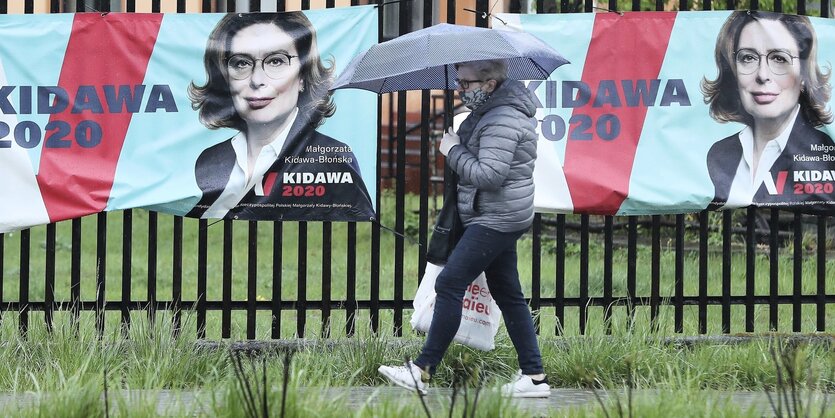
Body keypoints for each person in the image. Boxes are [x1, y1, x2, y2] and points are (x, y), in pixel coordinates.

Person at [378, 59, 549, 398]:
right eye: (458, 81)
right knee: (509, 294)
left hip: (496, 217)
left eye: (466, 83)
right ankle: (534, 377)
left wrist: (453, 150)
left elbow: (489, 175)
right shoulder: (489, 113)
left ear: (489, 85)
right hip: (498, 214)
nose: (459, 89)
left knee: (451, 281)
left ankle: (422, 370)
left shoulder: (502, 118)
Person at [186, 12, 374, 222]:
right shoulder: (209, 161)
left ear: (303, 76)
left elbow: (356, 232)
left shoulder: (333, 161)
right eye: (241, 63)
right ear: (225, 77)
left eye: (276, 61)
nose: (257, 80)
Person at [702, 11, 835, 213]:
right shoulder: (718, 154)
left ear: (803, 75)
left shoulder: (827, 151)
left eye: (779, 58)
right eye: (748, 57)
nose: (763, 75)